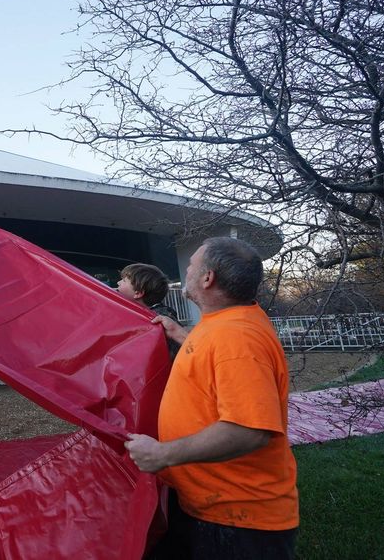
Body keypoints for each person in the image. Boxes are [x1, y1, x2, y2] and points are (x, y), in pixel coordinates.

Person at [124, 237, 298, 559]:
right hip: (209, 507)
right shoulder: (224, 320)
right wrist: (179, 334)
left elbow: (249, 431)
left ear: (208, 278)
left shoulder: (237, 339)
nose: (186, 270)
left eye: (191, 265)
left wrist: (162, 454)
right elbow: (218, 360)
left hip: (237, 523)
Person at [117, 263, 181, 358]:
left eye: (124, 280)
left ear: (138, 293)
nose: (118, 282)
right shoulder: (146, 314)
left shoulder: (157, 319)